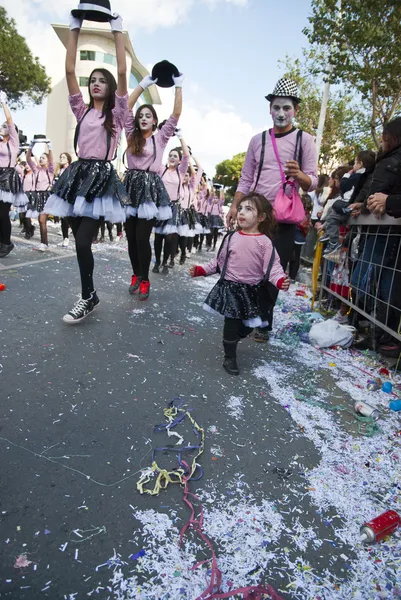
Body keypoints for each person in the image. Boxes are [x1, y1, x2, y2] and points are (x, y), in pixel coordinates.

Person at [43, 11, 129, 323]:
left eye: (100, 80)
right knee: (81, 245)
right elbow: (69, 70)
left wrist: (115, 29)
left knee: (82, 242)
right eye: (92, 80)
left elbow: (121, 69)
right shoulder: (80, 110)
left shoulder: (117, 114)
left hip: (101, 181)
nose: (95, 84)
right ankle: (89, 294)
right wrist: (75, 29)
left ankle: (87, 296)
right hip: (79, 177)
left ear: (110, 87)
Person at [226, 78, 317, 342]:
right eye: (276, 107)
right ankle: (255, 317)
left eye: (286, 108)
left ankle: (263, 320)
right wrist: (235, 205)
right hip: (256, 215)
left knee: (273, 272)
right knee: (250, 269)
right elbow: (245, 177)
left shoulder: (305, 140)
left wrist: (299, 175)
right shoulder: (258, 141)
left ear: (295, 110)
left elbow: (313, 182)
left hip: (286, 217)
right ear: (269, 109)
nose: (281, 113)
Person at [190, 193, 290, 375]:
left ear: (261, 217)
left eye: (249, 209)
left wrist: (280, 280)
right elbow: (219, 262)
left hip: (252, 291)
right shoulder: (231, 238)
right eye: (241, 208)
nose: (241, 212)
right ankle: (230, 357)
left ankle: (234, 338)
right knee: (232, 322)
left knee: (250, 324)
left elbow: (273, 267)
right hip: (230, 288)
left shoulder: (265, 242)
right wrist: (201, 270)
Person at [123, 72, 183, 298]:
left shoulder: (160, 138)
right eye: (142, 115)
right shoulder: (130, 134)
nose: (144, 118)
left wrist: (178, 86)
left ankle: (145, 279)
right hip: (129, 186)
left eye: (149, 116)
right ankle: (136, 275)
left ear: (155, 121)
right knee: (130, 237)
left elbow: (176, 114)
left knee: (141, 238)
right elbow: (126, 108)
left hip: (149, 189)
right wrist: (143, 84)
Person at [320, 151, 376, 256]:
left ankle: (333, 242)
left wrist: (347, 175)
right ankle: (329, 233)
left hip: (349, 207)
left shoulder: (359, 176)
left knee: (334, 212)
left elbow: (344, 185)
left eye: (355, 162)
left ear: (360, 164)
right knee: (332, 209)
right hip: (351, 205)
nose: (353, 166)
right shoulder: (364, 176)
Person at [153, 138, 190, 272]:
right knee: (158, 238)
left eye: (175, 156)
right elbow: (158, 152)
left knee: (169, 239)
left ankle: (164, 262)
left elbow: (187, 156)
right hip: (160, 206)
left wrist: (181, 137)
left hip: (174, 208)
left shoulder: (181, 172)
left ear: (179, 161)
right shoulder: (161, 169)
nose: (172, 157)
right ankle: (156, 262)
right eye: (170, 155)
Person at [0, 93, 29, 258]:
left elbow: (10, 121)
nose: (3, 126)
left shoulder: (13, 142)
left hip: (9, 179)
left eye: (5, 126)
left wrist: (3, 103)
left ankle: (7, 243)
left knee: (2, 214)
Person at [25, 140, 54, 251]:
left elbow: (51, 160)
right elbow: (28, 159)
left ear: (47, 160)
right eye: (40, 157)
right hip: (36, 196)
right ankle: (44, 242)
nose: (41, 159)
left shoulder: (50, 170)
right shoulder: (36, 169)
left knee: (42, 220)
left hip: (46, 195)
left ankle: (44, 243)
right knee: (40, 219)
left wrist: (49, 147)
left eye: (43, 157)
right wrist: (31, 146)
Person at [288, 194, 312, 282]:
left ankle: (292, 275)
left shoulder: (299, 212)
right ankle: (292, 276)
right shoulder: (308, 214)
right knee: (296, 257)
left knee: (293, 257)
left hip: (295, 237)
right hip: (301, 238)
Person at [54, 152, 73, 248]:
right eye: (61, 157)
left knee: (68, 217)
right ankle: (65, 238)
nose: (61, 159)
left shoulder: (71, 170)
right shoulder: (59, 171)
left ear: (68, 159)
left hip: (69, 196)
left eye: (64, 157)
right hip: (60, 196)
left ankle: (69, 235)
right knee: (63, 217)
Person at [206, 186, 225, 251]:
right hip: (211, 218)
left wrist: (221, 190)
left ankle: (214, 246)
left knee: (215, 234)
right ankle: (209, 245)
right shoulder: (210, 202)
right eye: (214, 198)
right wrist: (212, 188)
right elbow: (211, 196)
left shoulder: (219, 204)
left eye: (216, 198)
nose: (215, 199)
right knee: (210, 233)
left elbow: (222, 198)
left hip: (217, 219)